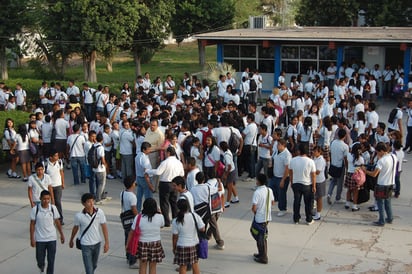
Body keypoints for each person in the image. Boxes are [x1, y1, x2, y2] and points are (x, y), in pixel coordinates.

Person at [69, 193, 109, 274]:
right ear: (83, 203)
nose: (91, 204)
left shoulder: (99, 212)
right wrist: (71, 240)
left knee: (94, 265)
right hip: (85, 244)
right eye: (88, 202)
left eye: (92, 201)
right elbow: (75, 228)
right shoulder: (79, 216)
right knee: (89, 268)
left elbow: (104, 226)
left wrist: (107, 242)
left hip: (97, 243)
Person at [146, 146, 185, 227]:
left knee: (164, 203)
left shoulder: (165, 162)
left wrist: (148, 171)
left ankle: (166, 221)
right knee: (174, 202)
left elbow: (158, 172)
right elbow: (182, 174)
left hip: (165, 184)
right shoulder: (179, 163)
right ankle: (175, 219)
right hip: (175, 184)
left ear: (168, 153)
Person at [126, 198, 165, 274]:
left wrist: (128, 244)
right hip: (155, 243)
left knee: (142, 265)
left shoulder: (138, 217)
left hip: (142, 243)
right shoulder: (160, 217)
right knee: (153, 266)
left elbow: (131, 232)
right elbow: (162, 225)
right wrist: (160, 212)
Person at [30, 190, 64, 274]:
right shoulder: (35, 209)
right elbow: (32, 224)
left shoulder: (53, 208)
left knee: (51, 260)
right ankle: (41, 266)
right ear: (40, 199)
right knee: (40, 258)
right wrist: (32, 239)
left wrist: (61, 234)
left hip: (51, 238)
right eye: (44, 199)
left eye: (48, 199)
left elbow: (57, 221)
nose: (46, 201)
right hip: (40, 239)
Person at [362, 142, 396, 226]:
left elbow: (374, 174)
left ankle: (381, 220)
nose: (377, 154)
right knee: (388, 202)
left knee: (380, 203)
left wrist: (365, 170)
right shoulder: (393, 156)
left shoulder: (381, 161)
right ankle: (390, 218)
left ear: (381, 151)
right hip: (391, 182)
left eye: (377, 152)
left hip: (382, 184)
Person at [172, 199, 205, 274]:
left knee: (182, 266)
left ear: (178, 208)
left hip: (181, 245)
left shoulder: (175, 221)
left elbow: (175, 237)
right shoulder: (194, 216)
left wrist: (174, 248)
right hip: (193, 245)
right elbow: (202, 228)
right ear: (187, 206)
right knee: (195, 265)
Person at [289, 143, 317, 225]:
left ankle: (296, 218)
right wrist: (314, 186)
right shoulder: (310, 161)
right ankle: (308, 219)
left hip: (296, 183)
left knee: (297, 201)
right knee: (308, 203)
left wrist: (291, 182)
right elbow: (313, 175)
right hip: (307, 184)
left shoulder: (293, 160)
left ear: (298, 151)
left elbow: (290, 172)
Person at [251, 174, 274, 264]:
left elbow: (254, 208)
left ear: (258, 181)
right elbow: (272, 202)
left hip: (259, 218)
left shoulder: (257, 192)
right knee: (261, 235)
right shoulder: (269, 190)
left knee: (260, 237)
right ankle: (261, 253)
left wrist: (257, 212)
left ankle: (263, 257)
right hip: (267, 217)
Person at [269, 139, 292, 217]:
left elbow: (287, 168)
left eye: (279, 144)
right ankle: (274, 201)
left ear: (283, 145)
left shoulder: (287, 155)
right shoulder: (276, 151)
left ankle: (282, 209)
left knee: (282, 193)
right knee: (271, 189)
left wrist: (283, 180)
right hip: (274, 175)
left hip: (282, 177)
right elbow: (272, 158)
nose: (277, 146)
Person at [120, 176, 138, 268]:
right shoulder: (132, 196)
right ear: (132, 184)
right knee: (133, 240)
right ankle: (132, 260)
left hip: (125, 219)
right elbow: (134, 209)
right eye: (134, 183)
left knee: (127, 238)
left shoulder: (122, 193)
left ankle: (128, 257)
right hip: (132, 219)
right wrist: (138, 217)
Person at [327, 129, 349, 205]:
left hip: (333, 164)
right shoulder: (345, 146)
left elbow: (330, 153)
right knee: (340, 183)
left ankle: (329, 194)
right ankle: (338, 197)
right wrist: (347, 168)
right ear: (345, 136)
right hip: (340, 166)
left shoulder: (333, 142)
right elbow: (345, 159)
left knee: (333, 180)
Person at [43, 150, 65, 225]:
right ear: (50, 157)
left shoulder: (59, 162)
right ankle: (51, 218)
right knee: (51, 203)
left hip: (58, 185)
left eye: (57, 155)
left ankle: (60, 219)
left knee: (58, 202)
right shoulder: (45, 164)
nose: (57, 157)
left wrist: (63, 182)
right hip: (49, 186)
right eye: (56, 156)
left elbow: (61, 172)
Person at [344, 143, 364, 211]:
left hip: (349, 173)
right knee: (356, 191)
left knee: (349, 190)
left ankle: (347, 203)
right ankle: (354, 206)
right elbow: (362, 167)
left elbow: (346, 160)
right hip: (356, 175)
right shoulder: (360, 158)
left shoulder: (349, 155)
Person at [135, 141, 154, 212]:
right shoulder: (144, 158)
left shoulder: (138, 156)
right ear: (144, 150)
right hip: (145, 179)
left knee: (139, 196)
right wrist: (150, 185)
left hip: (139, 178)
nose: (150, 151)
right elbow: (146, 172)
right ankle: (148, 211)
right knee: (148, 197)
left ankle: (137, 211)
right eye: (148, 149)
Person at [220, 141, 239, 208]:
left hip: (230, 172)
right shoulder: (228, 151)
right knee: (231, 185)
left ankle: (227, 202)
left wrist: (225, 174)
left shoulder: (226, 155)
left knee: (229, 187)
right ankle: (236, 197)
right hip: (232, 170)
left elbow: (229, 166)